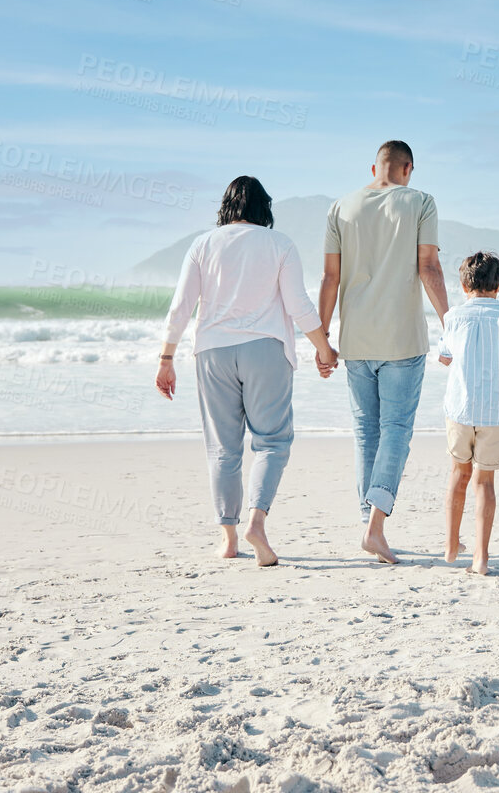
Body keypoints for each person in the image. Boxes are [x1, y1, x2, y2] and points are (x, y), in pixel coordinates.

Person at [156, 176, 338, 566]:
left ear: (226, 206)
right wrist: (324, 349)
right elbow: (298, 304)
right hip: (266, 350)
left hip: (212, 352)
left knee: (223, 448)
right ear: (263, 209)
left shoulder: (202, 244)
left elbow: (181, 307)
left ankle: (229, 539)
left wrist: (166, 358)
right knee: (272, 442)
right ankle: (257, 521)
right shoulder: (280, 244)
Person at [320, 140, 450, 565]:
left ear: (373, 167)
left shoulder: (341, 207)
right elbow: (428, 266)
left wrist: (323, 338)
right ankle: (375, 527)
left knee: (366, 434)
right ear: (408, 168)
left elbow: (330, 277)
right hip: (402, 340)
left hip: (356, 340)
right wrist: (452, 322)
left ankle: (368, 522)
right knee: (395, 431)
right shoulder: (421, 202)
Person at [436, 252, 499, 576]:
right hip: (493, 412)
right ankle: (480, 557)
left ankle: (451, 546)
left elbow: (445, 357)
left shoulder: (453, 317)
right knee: (485, 483)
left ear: (464, 285)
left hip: (459, 409)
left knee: (458, 475)